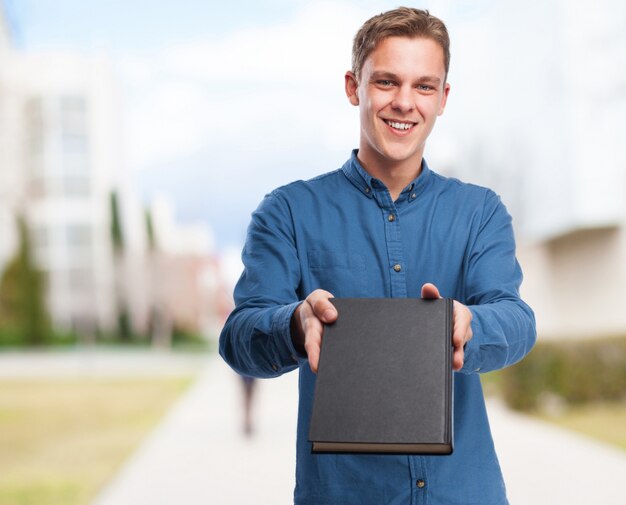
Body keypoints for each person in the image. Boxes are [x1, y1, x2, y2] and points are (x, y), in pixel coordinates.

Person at [220, 7, 536, 504]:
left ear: (443, 97)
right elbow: (238, 337)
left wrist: (470, 324)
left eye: (424, 86)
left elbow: (517, 319)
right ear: (354, 87)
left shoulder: (479, 212)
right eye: (387, 82)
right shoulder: (288, 212)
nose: (405, 103)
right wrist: (295, 324)